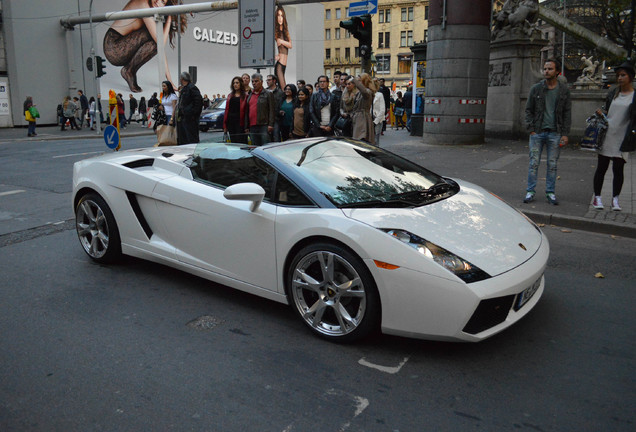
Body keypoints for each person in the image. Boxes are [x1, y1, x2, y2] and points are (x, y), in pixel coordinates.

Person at [103, 0, 186, 93]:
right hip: (113, 47)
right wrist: (170, 18)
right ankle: (129, 71)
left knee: (155, 42)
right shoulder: (143, 4)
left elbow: (160, 48)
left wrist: (169, 81)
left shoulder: (150, 11)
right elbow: (161, 42)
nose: (157, 2)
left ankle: (129, 70)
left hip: (123, 47)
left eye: (162, 1)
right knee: (156, 38)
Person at [523, 58, 571, 205]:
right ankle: (530, 191)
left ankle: (550, 192)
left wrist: (565, 133)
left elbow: (567, 113)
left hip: (555, 133)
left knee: (552, 164)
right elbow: (528, 110)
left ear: (557, 72)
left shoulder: (563, 90)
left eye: (550, 69)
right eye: (545, 69)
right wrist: (531, 129)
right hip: (537, 132)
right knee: (533, 163)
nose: (546, 71)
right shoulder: (536, 89)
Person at [592, 61, 636, 211]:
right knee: (601, 168)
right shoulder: (613, 93)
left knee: (618, 169)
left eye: (623, 75)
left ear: (630, 77)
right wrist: (601, 113)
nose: (620, 78)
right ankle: (597, 198)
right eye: (618, 75)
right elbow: (607, 111)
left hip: (623, 137)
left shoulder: (634, 96)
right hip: (607, 135)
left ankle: (615, 199)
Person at [244, 73, 275, 146]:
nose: (254, 83)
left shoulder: (268, 94)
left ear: (261, 82)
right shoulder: (250, 94)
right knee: (255, 147)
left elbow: (272, 110)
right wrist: (246, 126)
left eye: (256, 81)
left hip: (263, 125)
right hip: (252, 126)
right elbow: (247, 111)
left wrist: (270, 124)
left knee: (265, 146)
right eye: (253, 82)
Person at [175, 71, 203, 145]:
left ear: (182, 79)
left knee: (191, 139)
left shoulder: (192, 88)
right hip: (184, 117)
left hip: (190, 118)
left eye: (180, 78)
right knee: (184, 139)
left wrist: (193, 114)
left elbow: (198, 102)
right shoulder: (185, 89)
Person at [349, 74, 376, 144]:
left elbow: (364, 92)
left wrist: (354, 80)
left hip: (362, 119)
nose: (357, 83)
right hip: (358, 118)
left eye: (359, 81)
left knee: (360, 140)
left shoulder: (368, 92)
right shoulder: (359, 93)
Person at [223, 76, 248, 143]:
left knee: (241, 141)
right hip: (231, 122)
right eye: (234, 83)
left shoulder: (245, 96)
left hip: (240, 123)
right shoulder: (230, 95)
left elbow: (246, 111)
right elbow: (227, 110)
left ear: (241, 84)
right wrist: (225, 125)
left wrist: (247, 126)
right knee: (233, 142)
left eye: (237, 83)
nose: (235, 85)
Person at [274, 6, 292, 89]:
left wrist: (281, 41)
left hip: (284, 65)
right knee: (284, 88)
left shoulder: (285, 31)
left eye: (281, 16)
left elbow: (290, 45)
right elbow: (268, 45)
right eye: (278, 15)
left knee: (282, 89)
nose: (280, 18)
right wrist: (274, 56)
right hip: (279, 65)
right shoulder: (275, 31)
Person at [266, 74, 285, 141]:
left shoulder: (280, 92)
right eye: (267, 80)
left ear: (274, 81)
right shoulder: (265, 92)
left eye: (269, 80)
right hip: (266, 119)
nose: (267, 81)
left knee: (276, 137)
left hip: (276, 118)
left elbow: (282, 105)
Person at [372, 78, 386, 146]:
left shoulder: (379, 95)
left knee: (376, 139)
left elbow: (382, 110)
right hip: (369, 118)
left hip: (378, 120)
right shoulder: (368, 94)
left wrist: (376, 121)